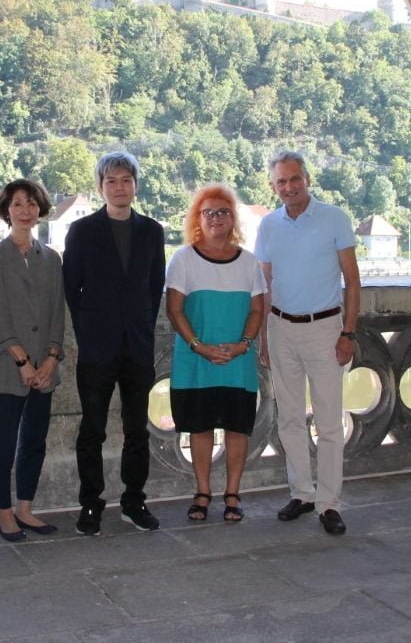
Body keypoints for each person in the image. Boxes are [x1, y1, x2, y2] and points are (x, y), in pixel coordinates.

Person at [254, 150, 360, 536]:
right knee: (290, 418)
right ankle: (302, 493)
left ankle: (329, 502)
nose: (288, 187)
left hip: (325, 329)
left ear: (307, 179)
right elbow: (265, 286)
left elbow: (352, 279)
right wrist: (265, 336)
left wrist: (348, 332)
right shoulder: (268, 226)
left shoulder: (334, 219)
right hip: (281, 328)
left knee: (330, 422)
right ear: (273, 186)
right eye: (281, 182)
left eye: (294, 179)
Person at [63, 151, 166, 535]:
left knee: (137, 429)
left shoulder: (153, 232)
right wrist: (90, 332)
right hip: (96, 349)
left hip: (137, 347)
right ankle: (91, 504)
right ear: (100, 187)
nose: (119, 187)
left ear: (135, 185)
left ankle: (134, 501)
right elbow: (71, 288)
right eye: (111, 181)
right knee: (92, 429)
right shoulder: (83, 231)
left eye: (125, 180)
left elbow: (155, 287)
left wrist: (138, 324)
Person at [165, 184, 265, 523]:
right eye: (209, 212)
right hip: (195, 360)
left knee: (238, 429)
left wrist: (244, 344)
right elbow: (175, 311)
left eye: (223, 212)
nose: (216, 218)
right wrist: (199, 346)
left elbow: (256, 310)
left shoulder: (248, 262)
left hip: (238, 360)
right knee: (200, 428)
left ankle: (233, 493)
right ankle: (203, 491)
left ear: (233, 218)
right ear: (197, 218)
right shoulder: (183, 258)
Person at [0, 178, 65, 542]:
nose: (26, 211)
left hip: (45, 368)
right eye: (18, 204)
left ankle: (26, 508)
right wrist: (22, 362)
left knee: (35, 440)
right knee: (4, 440)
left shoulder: (51, 258)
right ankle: (3, 511)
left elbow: (56, 314)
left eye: (31, 203)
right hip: (8, 367)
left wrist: (50, 359)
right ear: (7, 210)